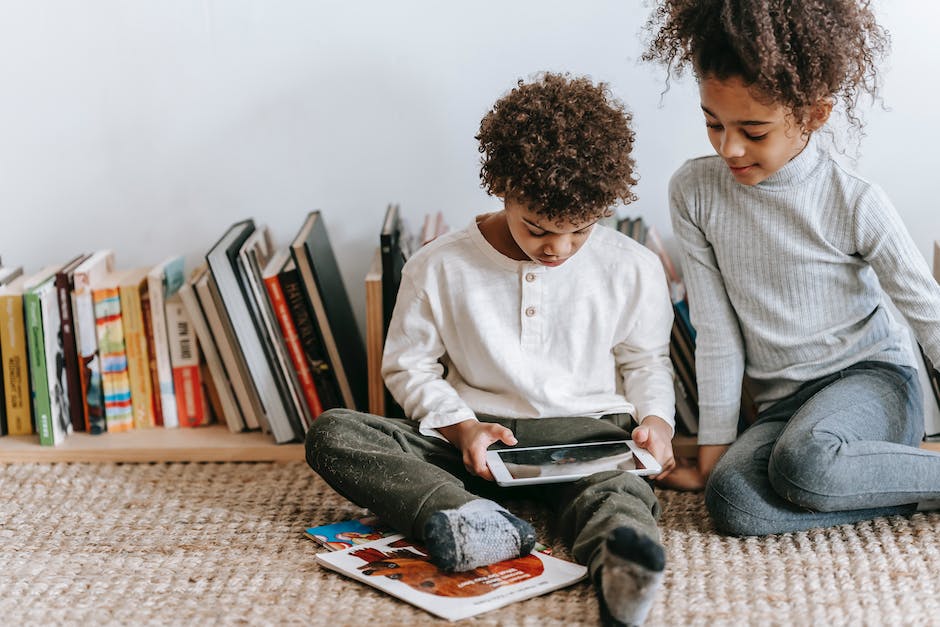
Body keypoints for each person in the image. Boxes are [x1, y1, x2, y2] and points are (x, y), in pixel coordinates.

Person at [307, 72, 677, 625]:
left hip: (586, 437)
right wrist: (461, 427)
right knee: (334, 433)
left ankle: (620, 570)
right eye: (538, 228)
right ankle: (472, 520)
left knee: (618, 495)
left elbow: (645, 360)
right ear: (502, 187)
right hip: (474, 443)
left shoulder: (633, 266)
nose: (560, 248)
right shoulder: (439, 265)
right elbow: (409, 365)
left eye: (580, 230)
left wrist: (657, 422)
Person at [642, 0, 940, 535]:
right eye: (713, 123)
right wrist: (714, 448)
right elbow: (716, 331)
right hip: (784, 408)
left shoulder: (852, 199)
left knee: (805, 464)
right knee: (732, 500)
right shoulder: (694, 192)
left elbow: (928, 311)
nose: (729, 147)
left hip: (873, 382)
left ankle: (866, 470)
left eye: (754, 131)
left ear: (814, 114)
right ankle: (898, 486)